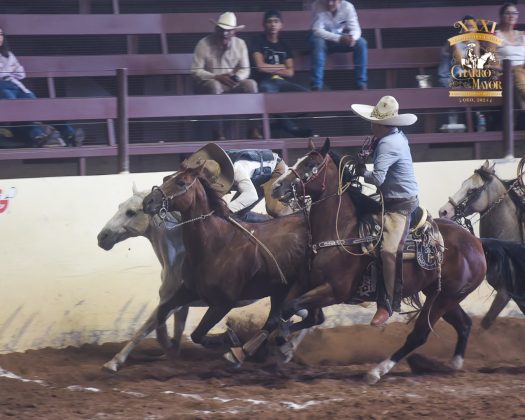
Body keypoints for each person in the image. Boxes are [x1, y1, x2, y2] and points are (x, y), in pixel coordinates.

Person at [351, 96, 419, 327]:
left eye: (373, 122)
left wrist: (359, 172)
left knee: (389, 251)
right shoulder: (392, 137)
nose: (371, 126)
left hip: (399, 206)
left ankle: (388, 304)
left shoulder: (389, 143)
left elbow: (378, 178)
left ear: (381, 125)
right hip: (389, 201)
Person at [0, 27, 84, 147]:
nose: (0, 37)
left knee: (40, 109)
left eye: (1, 34)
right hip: (2, 88)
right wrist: (8, 72)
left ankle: (70, 134)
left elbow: (21, 72)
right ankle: (39, 136)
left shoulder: (7, 54)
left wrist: (6, 72)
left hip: (17, 86)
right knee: (19, 111)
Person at [191, 12, 261, 140]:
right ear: (216, 29)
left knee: (251, 84)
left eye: (228, 31)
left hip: (232, 82)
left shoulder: (240, 44)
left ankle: (253, 129)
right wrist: (216, 77)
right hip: (209, 84)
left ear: (234, 32)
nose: (224, 34)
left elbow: (245, 69)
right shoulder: (204, 44)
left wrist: (236, 78)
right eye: (222, 30)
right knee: (215, 86)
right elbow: (196, 71)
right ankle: (218, 133)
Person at [182, 143, 291, 222]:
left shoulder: (237, 170)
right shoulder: (209, 167)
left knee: (274, 209)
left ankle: (274, 221)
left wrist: (226, 209)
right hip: (255, 176)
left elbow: (251, 195)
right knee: (237, 215)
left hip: (274, 169)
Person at [250, 10, 312, 138]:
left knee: (308, 98)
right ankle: (292, 128)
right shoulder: (258, 41)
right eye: (269, 21)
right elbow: (260, 66)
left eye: (276, 21)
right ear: (264, 25)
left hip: (282, 82)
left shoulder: (284, 45)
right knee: (268, 92)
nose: (273, 24)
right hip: (265, 82)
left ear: (281, 25)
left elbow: (290, 72)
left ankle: (279, 125)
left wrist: (272, 68)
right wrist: (281, 66)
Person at [310, 0, 368, 91]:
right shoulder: (317, 5)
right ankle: (316, 85)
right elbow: (317, 30)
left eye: (333, 0)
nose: (330, 3)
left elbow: (356, 29)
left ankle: (361, 83)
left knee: (361, 43)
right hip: (320, 37)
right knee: (318, 43)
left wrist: (352, 38)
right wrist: (339, 38)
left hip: (338, 37)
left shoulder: (348, 7)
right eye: (327, 0)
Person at [495, 3, 525, 103]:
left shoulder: (522, 35)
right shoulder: (495, 36)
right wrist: (510, 68)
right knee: (518, 73)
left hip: (523, 70)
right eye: (508, 13)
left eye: (514, 13)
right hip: (507, 72)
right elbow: (492, 63)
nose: (511, 16)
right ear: (501, 16)